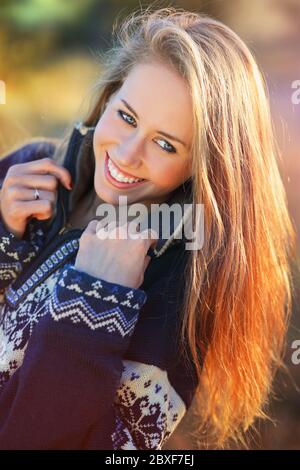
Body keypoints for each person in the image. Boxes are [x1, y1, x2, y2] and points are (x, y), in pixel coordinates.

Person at [0, 6, 296, 450]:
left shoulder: (174, 298)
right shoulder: (26, 169)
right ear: (109, 96)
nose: (126, 153)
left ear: (202, 169)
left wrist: (93, 304)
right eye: (126, 116)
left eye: (165, 143)